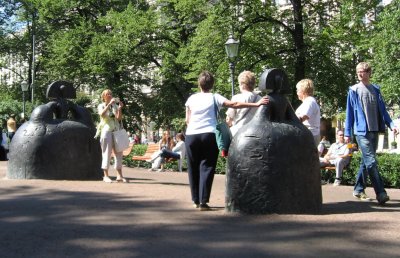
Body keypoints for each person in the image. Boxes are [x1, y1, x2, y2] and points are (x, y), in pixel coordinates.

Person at [185, 71, 269, 211]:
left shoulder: (191, 99)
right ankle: (203, 202)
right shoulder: (215, 97)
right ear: (212, 84)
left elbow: (187, 119)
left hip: (192, 134)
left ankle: (195, 200)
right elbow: (234, 104)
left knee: (193, 166)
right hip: (209, 134)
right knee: (207, 166)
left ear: (199, 84)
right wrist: (257, 104)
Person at [344, 62, 398, 204]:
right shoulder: (353, 90)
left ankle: (358, 189)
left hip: (375, 129)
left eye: (362, 71)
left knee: (366, 162)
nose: (360, 74)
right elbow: (349, 113)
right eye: (357, 72)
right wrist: (347, 132)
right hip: (361, 131)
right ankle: (380, 193)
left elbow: (384, 111)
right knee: (371, 161)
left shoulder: (375, 89)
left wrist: (391, 125)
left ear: (369, 72)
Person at [96, 89, 128, 183]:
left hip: (116, 131)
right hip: (106, 132)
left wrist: (120, 108)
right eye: (107, 94)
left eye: (110, 94)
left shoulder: (115, 106)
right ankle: (106, 176)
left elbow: (118, 118)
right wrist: (109, 104)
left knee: (119, 153)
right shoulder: (101, 105)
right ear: (103, 97)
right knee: (106, 153)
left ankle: (119, 176)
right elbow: (102, 115)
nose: (109, 95)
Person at [225, 71, 262, 136]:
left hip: (238, 134)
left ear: (243, 85)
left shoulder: (236, 98)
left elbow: (229, 120)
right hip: (256, 134)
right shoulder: (260, 99)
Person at [295, 79, 320, 146]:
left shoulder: (309, 101)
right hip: (308, 135)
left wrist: (289, 120)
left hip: (309, 136)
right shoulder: (308, 102)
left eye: (297, 90)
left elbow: (303, 117)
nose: (296, 92)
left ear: (303, 90)